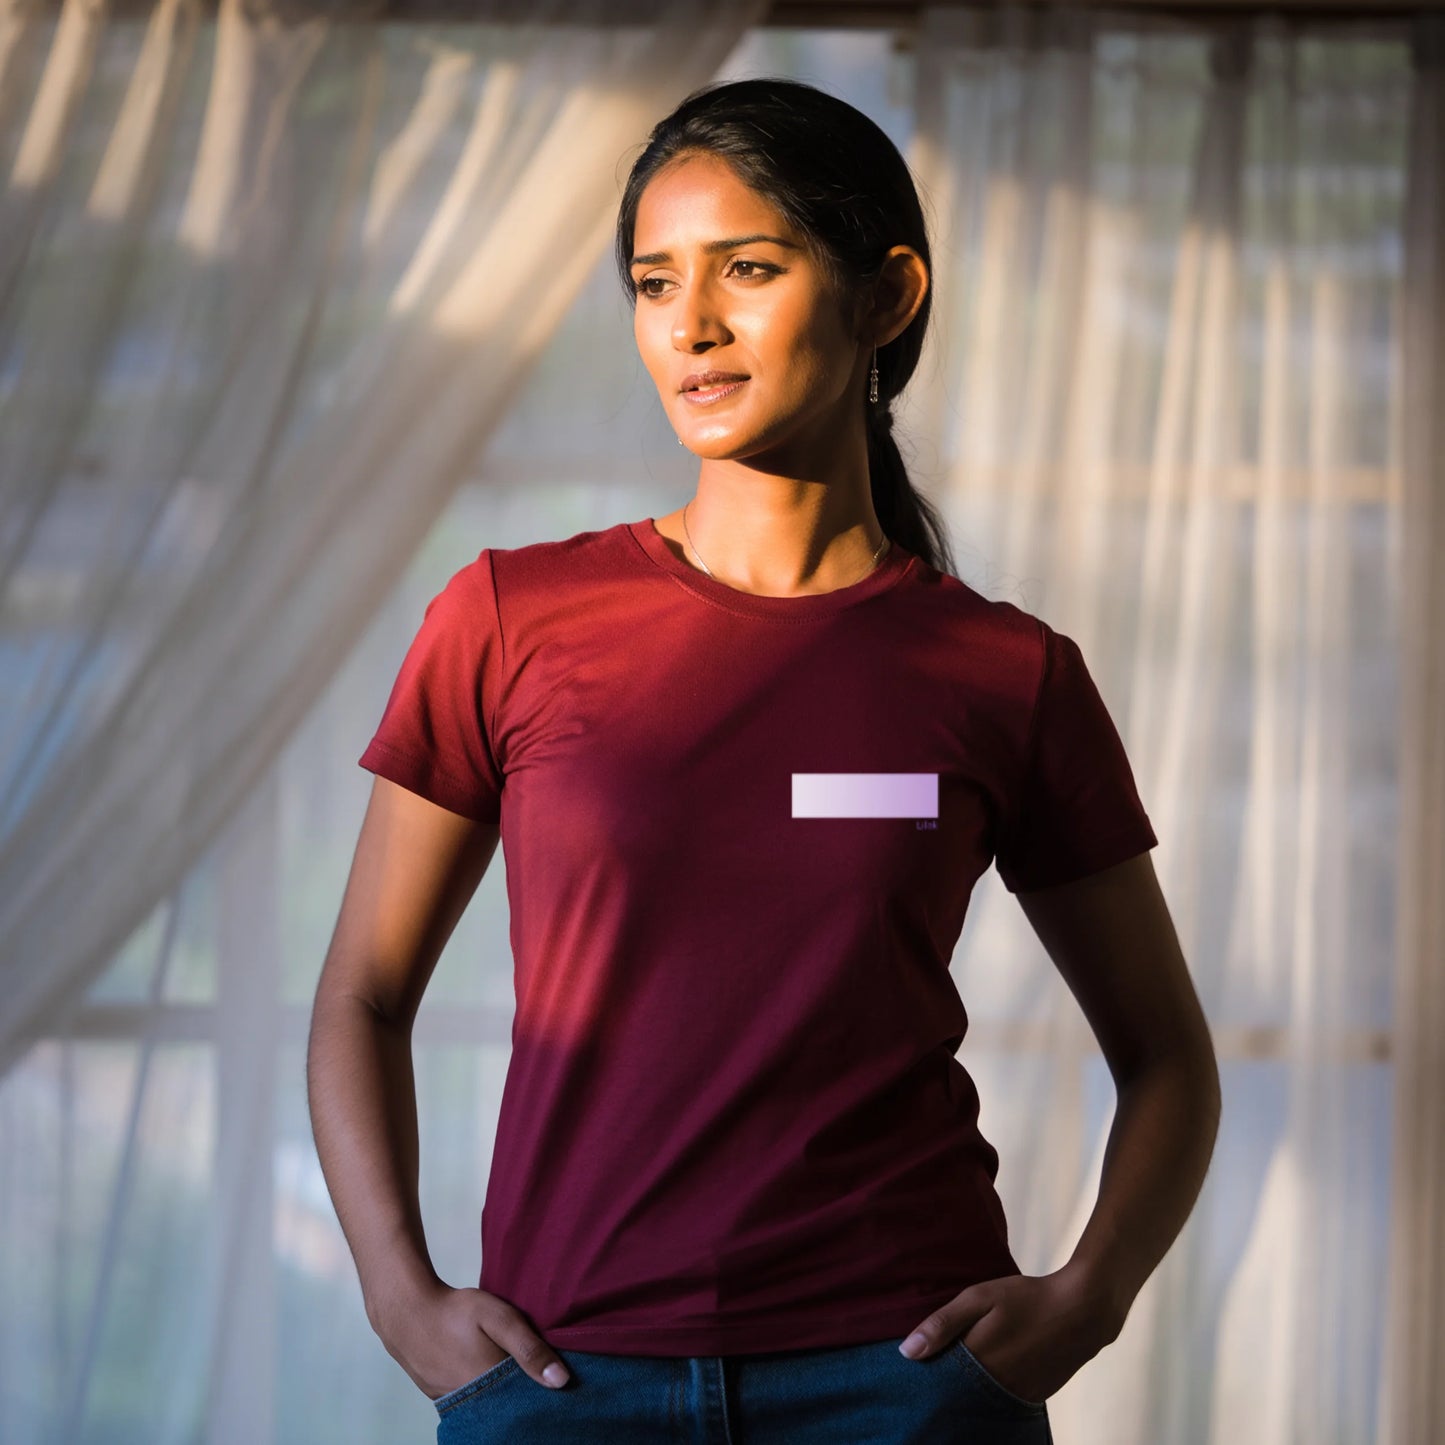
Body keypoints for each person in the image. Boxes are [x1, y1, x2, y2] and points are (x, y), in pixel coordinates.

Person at [307, 76, 1221, 1444]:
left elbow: (1165, 1056)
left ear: (885, 295)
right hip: (567, 1381)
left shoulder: (1003, 673)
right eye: (652, 280)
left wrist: (1085, 1299)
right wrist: (399, 1295)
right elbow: (363, 995)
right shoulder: (508, 617)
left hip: (902, 1387)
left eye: (748, 268)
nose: (691, 323)